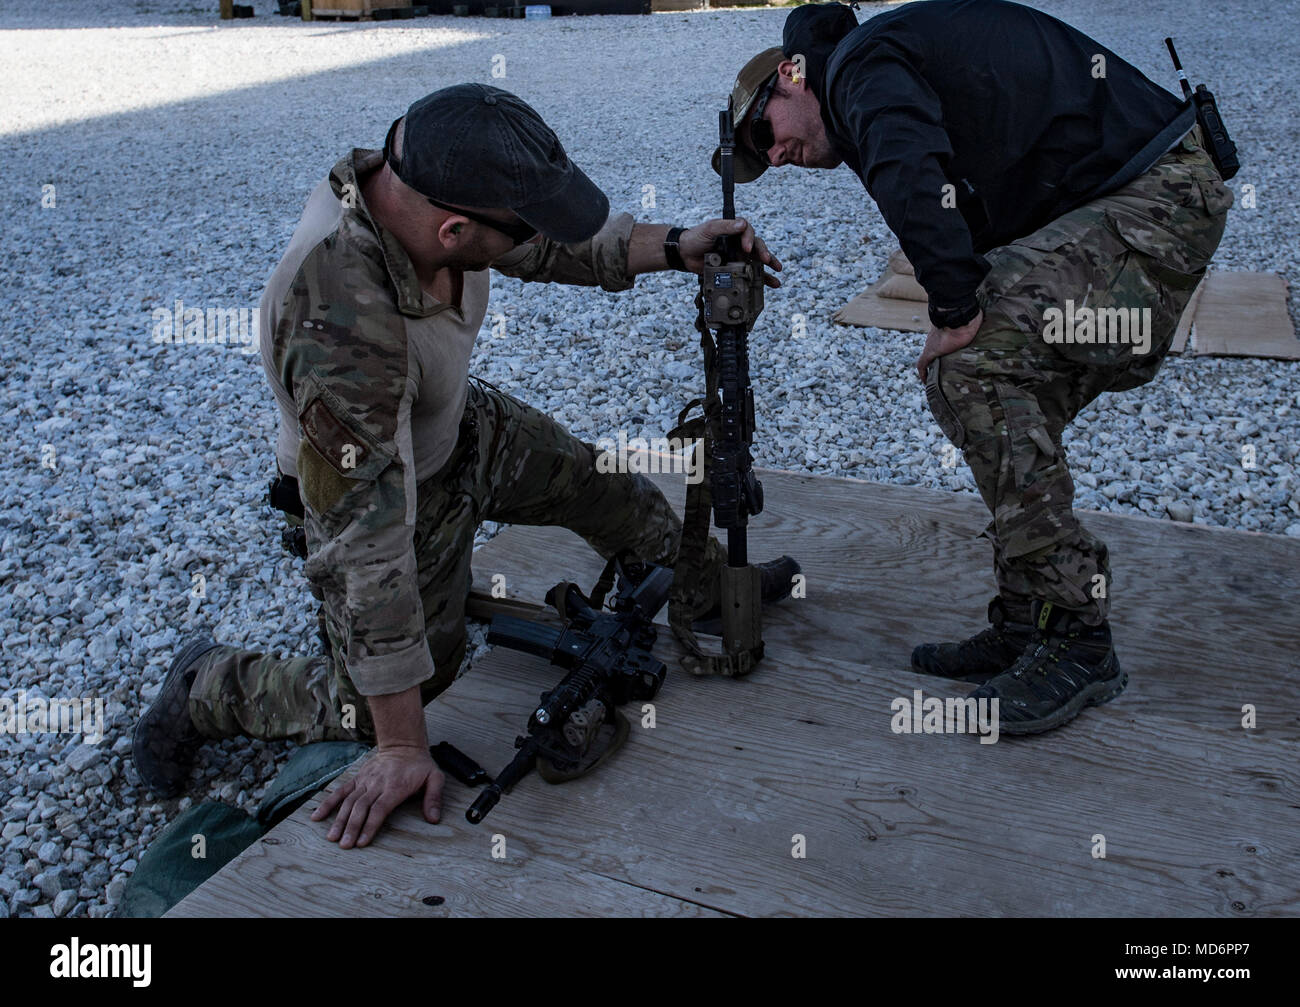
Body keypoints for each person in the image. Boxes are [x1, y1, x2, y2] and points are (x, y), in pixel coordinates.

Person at [134, 83, 796, 847]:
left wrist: (678, 244)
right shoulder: (341, 323)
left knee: (598, 482)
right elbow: (366, 548)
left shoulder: (426, 183)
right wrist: (402, 745)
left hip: (453, 424)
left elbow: (542, 240)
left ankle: (705, 586)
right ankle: (207, 684)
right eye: (503, 230)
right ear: (452, 230)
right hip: (385, 488)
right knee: (386, 696)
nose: (521, 239)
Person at [721, 1, 1231, 733]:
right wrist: (965, 303)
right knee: (979, 378)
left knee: (975, 368)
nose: (772, 157)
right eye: (757, 157)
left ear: (791, 77)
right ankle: (1031, 615)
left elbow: (913, 175)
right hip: (1125, 197)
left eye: (762, 134)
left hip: (1158, 193)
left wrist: (954, 309)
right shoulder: (867, 74)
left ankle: (1077, 637)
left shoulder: (860, 65)